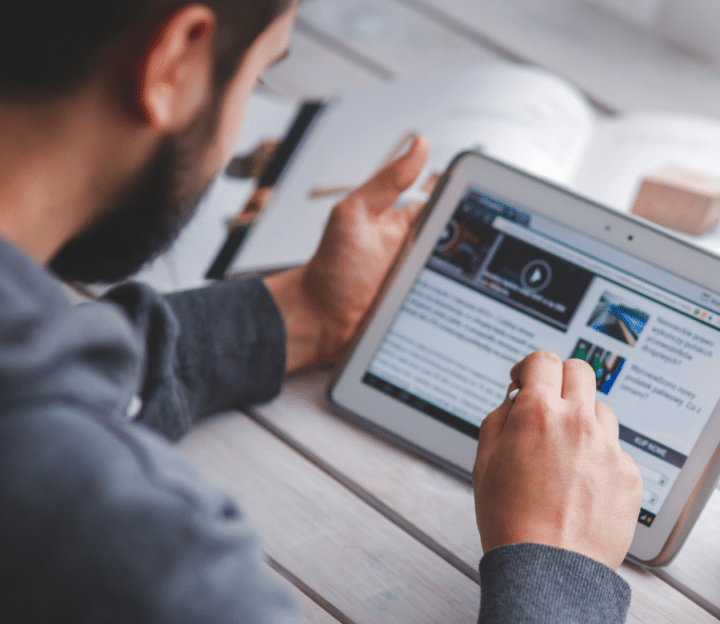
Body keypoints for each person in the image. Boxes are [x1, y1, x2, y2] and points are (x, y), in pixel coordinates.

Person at [0, 1, 644, 622]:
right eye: (260, 75)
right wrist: (557, 570)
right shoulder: (149, 563)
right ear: (176, 59)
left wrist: (301, 313)